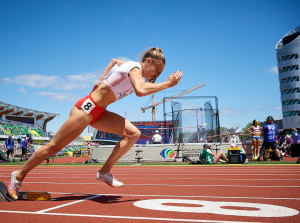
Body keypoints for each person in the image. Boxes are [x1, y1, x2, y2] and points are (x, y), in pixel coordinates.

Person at [8, 47, 183, 200]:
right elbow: (140, 91)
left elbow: (114, 61)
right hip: (86, 109)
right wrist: (167, 84)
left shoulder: (131, 68)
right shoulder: (135, 68)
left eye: (160, 73)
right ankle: (18, 176)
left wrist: (100, 80)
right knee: (53, 147)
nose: (157, 74)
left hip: (99, 112)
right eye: (157, 69)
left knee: (133, 134)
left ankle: (104, 172)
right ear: (148, 61)